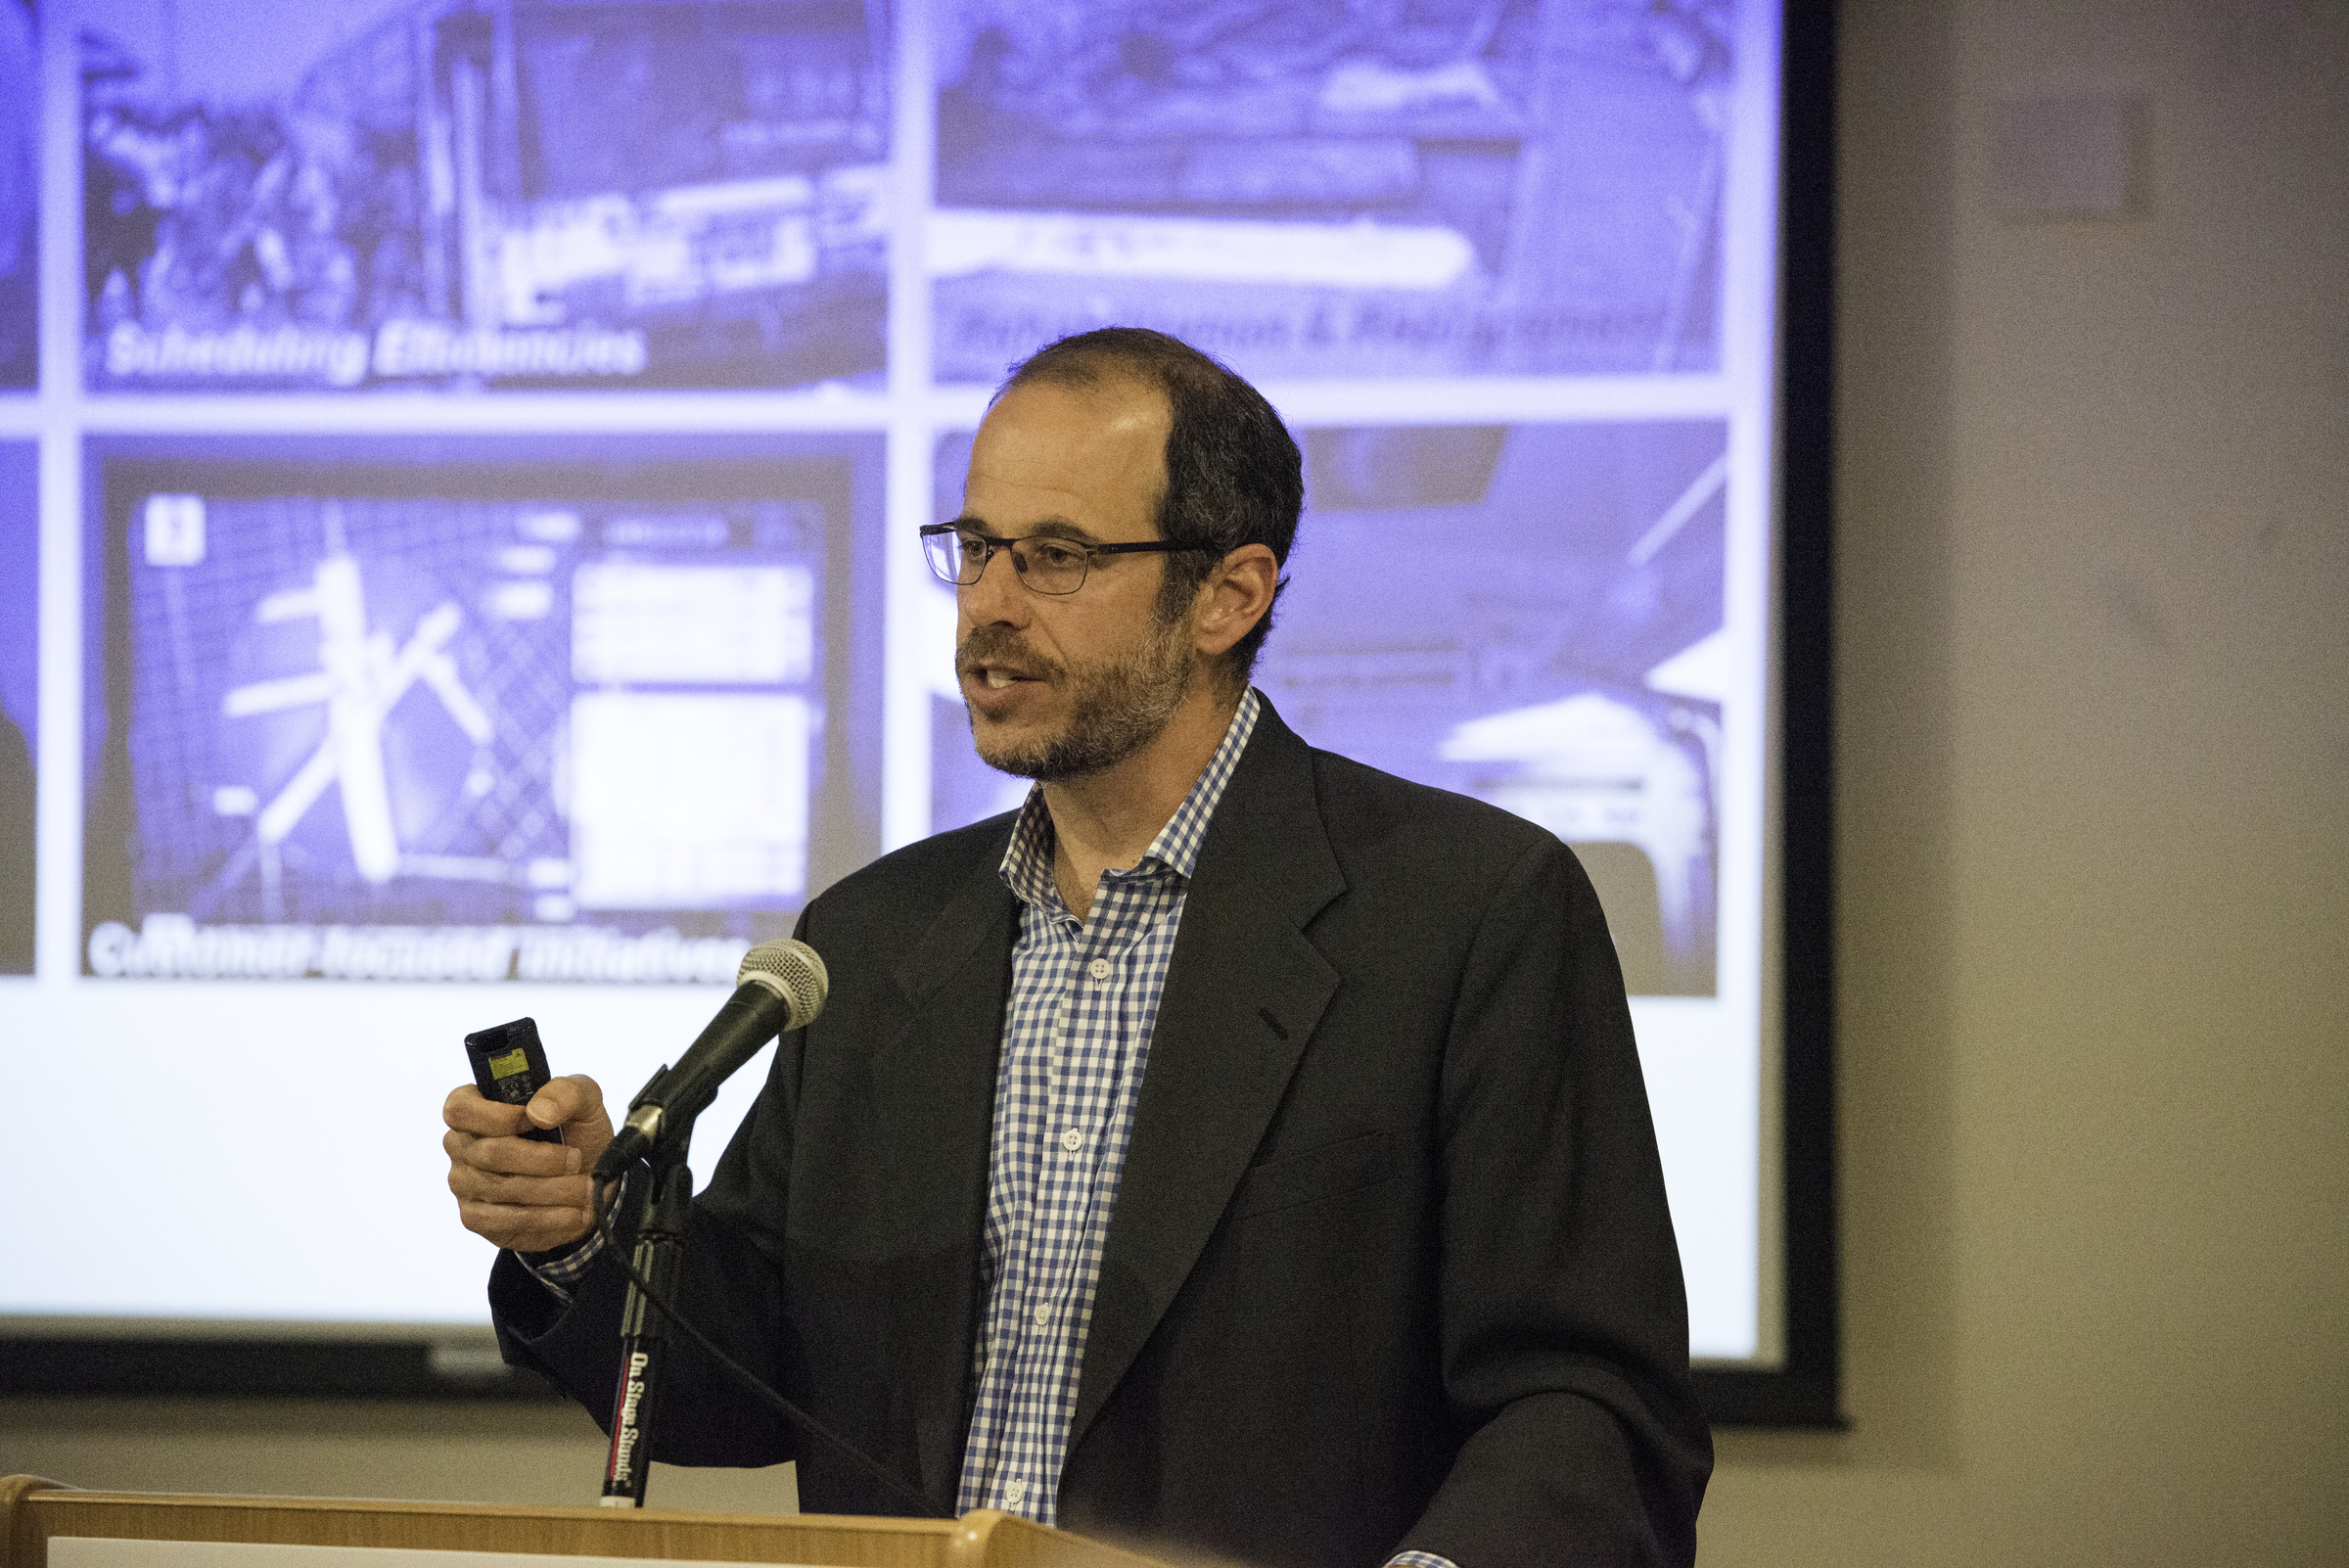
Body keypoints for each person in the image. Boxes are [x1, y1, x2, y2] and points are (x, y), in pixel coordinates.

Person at [444, 328, 1712, 1566]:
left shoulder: (1470, 911)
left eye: (1054, 556)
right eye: (978, 546)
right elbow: (743, 1382)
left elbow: (1591, 1407)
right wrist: (577, 1235)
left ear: (1230, 592)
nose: (988, 606)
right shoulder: (875, 943)